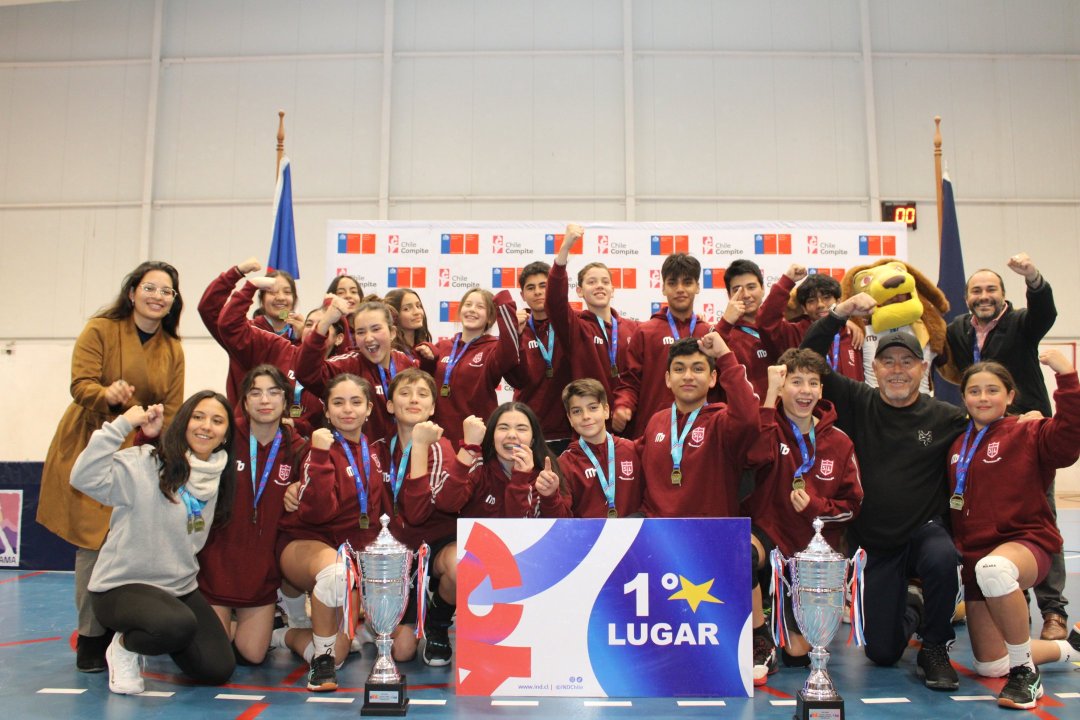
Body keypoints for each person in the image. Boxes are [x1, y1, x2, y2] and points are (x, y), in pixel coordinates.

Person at [802, 298, 968, 691]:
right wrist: (840, 313)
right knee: (881, 653)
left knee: (943, 556)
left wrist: (1029, 419)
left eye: (907, 362)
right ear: (873, 368)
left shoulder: (946, 417)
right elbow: (809, 356)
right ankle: (913, 605)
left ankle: (935, 648)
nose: (897, 370)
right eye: (888, 362)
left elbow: (993, 427)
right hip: (875, 542)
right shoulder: (857, 402)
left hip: (923, 532)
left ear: (922, 369)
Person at [37, 261, 186, 673]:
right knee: (93, 542)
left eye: (167, 291)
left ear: (174, 300)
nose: (158, 296)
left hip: (143, 449)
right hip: (93, 442)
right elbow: (80, 384)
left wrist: (161, 437)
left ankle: (126, 629)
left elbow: (174, 407)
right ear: (133, 291)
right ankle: (91, 636)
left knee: (133, 541)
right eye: (150, 288)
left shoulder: (173, 346)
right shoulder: (100, 328)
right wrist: (108, 394)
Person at [71, 391, 237, 695]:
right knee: (176, 624)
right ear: (184, 423)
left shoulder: (217, 477)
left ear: (225, 435)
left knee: (217, 669)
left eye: (217, 420)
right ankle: (122, 647)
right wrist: (121, 425)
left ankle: (160, 631)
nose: (206, 426)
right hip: (121, 586)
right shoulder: (146, 462)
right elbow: (83, 477)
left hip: (177, 588)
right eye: (198, 416)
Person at [943, 253, 1069, 641]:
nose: (984, 296)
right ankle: (1001, 600)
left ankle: (1053, 610)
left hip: (1023, 431)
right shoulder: (958, 330)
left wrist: (1033, 276)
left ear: (1003, 294)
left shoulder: (1019, 323)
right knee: (982, 516)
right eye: (976, 290)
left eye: (991, 289)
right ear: (967, 297)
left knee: (1038, 516)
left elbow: (1044, 314)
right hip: (979, 436)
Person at [949, 354, 1080, 709]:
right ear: (964, 398)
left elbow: (1069, 439)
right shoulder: (957, 446)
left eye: (993, 390)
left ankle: (1026, 675)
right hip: (976, 557)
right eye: (974, 391)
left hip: (1024, 543)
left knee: (996, 570)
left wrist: (1066, 377)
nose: (983, 397)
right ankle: (1069, 649)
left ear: (1010, 395)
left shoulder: (1029, 430)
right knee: (990, 663)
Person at [744, 349, 863, 684]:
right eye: (796, 382)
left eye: (813, 383)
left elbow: (853, 506)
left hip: (809, 557)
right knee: (741, 553)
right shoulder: (767, 424)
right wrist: (768, 395)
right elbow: (754, 454)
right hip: (767, 535)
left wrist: (816, 508)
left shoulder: (839, 442)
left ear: (822, 391)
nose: (805, 390)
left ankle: (775, 610)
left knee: (798, 656)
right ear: (782, 388)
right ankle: (759, 635)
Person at [276, 374, 392, 692]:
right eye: (338, 402)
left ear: (370, 408)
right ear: (326, 410)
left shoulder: (375, 451)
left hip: (346, 557)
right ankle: (321, 663)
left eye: (356, 402)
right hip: (306, 543)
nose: (347, 410)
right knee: (335, 575)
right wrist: (322, 457)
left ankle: (284, 636)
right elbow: (317, 514)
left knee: (340, 652)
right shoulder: (317, 448)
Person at [197, 366, 307, 666]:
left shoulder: (297, 448)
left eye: (274, 392)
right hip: (216, 568)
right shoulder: (226, 437)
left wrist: (300, 486)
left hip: (260, 576)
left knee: (252, 655)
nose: (264, 400)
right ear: (244, 401)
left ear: (286, 401)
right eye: (255, 393)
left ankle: (274, 630)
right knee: (212, 659)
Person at [382, 368, 462, 667]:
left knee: (459, 566)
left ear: (432, 408)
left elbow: (417, 513)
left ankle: (438, 623)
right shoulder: (376, 450)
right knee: (400, 654)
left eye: (422, 394)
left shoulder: (442, 449)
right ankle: (403, 611)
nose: (413, 399)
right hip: (399, 553)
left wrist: (419, 446)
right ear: (390, 405)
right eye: (404, 393)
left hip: (436, 544)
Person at [635, 333, 762, 518]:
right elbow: (628, 454)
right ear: (668, 379)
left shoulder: (722, 422)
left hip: (708, 534)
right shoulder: (656, 421)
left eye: (697, 369)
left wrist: (725, 355)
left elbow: (748, 418)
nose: (688, 376)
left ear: (712, 378)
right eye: (679, 369)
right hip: (658, 533)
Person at [216, 271, 347, 436]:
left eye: (323, 324)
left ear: (339, 338)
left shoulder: (338, 368)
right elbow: (229, 325)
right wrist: (251, 286)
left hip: (308, 447)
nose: (315, 329)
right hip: (257, 438)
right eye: (309, 323)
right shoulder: (281, 348)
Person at [613, 253, 710, 439]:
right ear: (663, 288)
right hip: (655, 433)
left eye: (687, 282)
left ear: (697, 287)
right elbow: (630, 381)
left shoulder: (709, 334)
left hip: (701, 433)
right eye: (673, 283)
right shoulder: (645, 332)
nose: (680, 289)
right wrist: (623, 405)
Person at [295, 297, 418, 444]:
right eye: (360, 332)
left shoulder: (407, 364)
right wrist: (325, 324)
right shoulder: (345, 366)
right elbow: (306, 373)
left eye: (376, 329)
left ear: (392, 332)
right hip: (359, 460)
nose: (368, 338)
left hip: (400, 456)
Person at [546, 224, 639, 415]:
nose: (599, 286)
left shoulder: (633, 328)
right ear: (579, 291)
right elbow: (554, 301)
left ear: (612, 290)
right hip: (590, 423)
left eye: (605, 282)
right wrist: (565, 249)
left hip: (629, 421)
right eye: (591, 282)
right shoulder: (576, 327)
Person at [415, 288, 521, 447]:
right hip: (437, 438)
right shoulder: (442, 346)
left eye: (480, 306)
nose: (472, 309)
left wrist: (503, 302)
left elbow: (510, 351)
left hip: (474, 440)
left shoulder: (493, 348)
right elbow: (424, 385)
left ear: (490, 317)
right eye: (468, 304)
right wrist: (427, 360)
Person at [198, 259, 305, 405]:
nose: (280, 297)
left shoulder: (303, 336)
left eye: (287, 292)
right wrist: (236, 273)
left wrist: (302, 340)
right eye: (272, 292)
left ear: (294, 299)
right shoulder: (241, 333)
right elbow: (208, 308)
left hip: (291, 425)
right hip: (244, 423)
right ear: (261, 299)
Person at [505, 260, 573, 453]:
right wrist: (514, 335)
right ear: (522, 295)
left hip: (569, 428)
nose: (537, 292)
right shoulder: (518, 329)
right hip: (528, 429)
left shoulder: (570, 323)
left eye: (544, 286)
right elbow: (510, 373)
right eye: (531, 288)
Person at [756, 264, 864, 381]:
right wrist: (786, 281)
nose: (820, 305)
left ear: (838, 301)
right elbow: (765, 322)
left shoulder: (851, 333)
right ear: (804, 308)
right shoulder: (793, 332)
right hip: (806, 398)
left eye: (826, 298)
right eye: (812, 301)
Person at [556, 379, 644, 518]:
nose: (586, 416)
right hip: (589, 538)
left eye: (593, 408)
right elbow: (561, 518)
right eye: (577, 411)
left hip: (633, 536)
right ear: (570, 419)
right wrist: (549, 496)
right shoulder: (565, 463)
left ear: (606, 410)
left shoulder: (632, 450)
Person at [713, 259, 775, 399]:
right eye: (738, 290)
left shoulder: (779, 327)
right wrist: (725, 323)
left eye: (751, 287)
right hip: (745, 417)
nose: (746, 295)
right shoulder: (722, 335)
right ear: (729, 295)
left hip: (784, 417)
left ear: (763, 289)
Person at [385, 288, 435, 360]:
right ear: (393, 314)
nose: (417, 312)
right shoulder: (389, 352)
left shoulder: (425, 348)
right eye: (406, 309)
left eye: (418, 306)